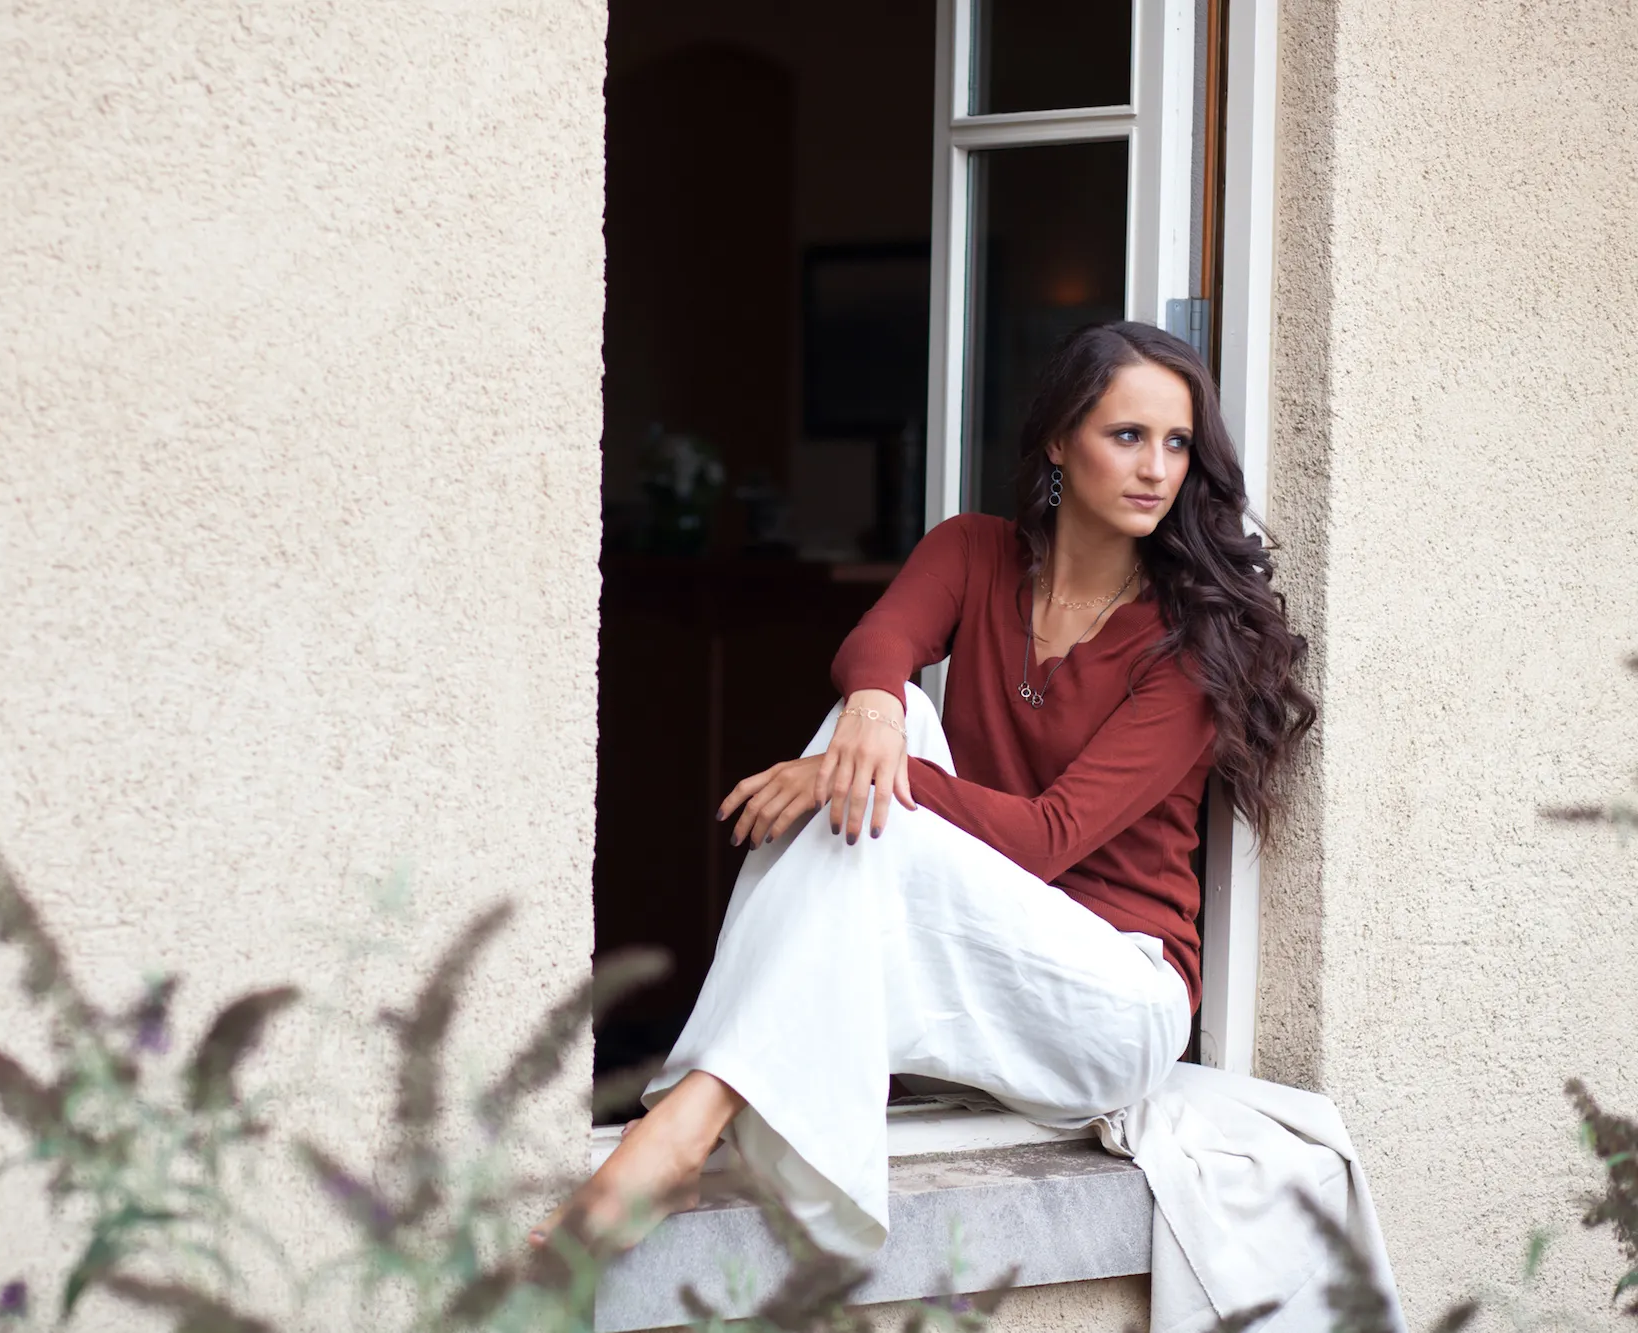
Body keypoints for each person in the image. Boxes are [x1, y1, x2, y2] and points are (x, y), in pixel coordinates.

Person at [532, 321, 1318, 1259]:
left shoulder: (1189, 645)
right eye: (1127, 435)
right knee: (879, 713)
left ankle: (682, 1126)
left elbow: (1046, 837)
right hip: (984, 957)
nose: (1156, 467)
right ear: (1060, 441)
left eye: (1177, 442)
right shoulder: (975, 552)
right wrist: (870, 711)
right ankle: (695, 1124)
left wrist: (863, 766)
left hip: (1109, 1003)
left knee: (867, 778)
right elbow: (875, 643)